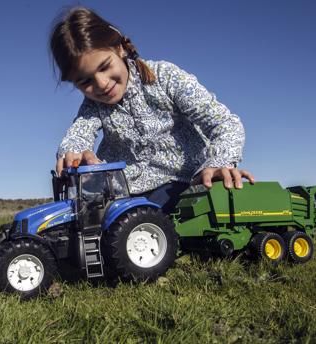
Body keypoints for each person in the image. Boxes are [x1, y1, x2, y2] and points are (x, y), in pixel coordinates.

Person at [50, 7, 254, 213]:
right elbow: (78, 134)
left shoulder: (165, 77)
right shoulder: (93, 105)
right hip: (124, 193)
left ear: (120, 48)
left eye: (104, 67)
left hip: (181, 184)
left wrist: (218, 162)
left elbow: (225, 123)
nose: (101, 84)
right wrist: (73, 153)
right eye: (86, 81)